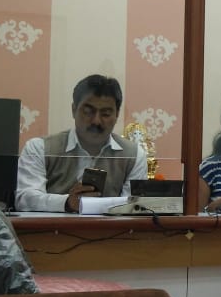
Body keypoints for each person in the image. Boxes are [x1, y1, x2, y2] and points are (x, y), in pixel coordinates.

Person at [15, 75, 147, 212]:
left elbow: (133, 208)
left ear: (117, 114)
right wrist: (67, 203)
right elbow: (24, 199)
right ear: (74, 110)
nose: (96, 121)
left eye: (106, 114)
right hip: (52, 226)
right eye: (88, 112)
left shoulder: (134, 155)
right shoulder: (39, 148)